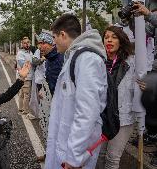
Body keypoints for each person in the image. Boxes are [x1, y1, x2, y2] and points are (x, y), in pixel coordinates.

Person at [45, 14, 108, 169]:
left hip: (74, 153)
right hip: (66, 144)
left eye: (54, 37)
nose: (53, 43)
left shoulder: (87, 59)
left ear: (62, 34)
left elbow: (87, 112)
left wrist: (74, 158)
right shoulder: (75, 57)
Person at [95, 26, 137, 169]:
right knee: (99, 155)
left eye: (114, 37)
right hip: (102, 117)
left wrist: (144, 85)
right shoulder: (98, 60)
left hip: (123, 117)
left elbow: (143, 82)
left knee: (112, 157)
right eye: (106, 37)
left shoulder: (133, 62)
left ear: (121, 40)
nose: (109, 40)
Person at [37, 30, 64, 95]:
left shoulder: (61, 58)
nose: (39, 47)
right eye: (39, 44)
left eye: (43, 43)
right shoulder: (48, 58)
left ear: (52, 44)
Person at [16, 37, 35, 119]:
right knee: (26, 94)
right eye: (25, 43)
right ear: (22, 44)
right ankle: (25, 110)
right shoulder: (20, 53)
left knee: (22, 94)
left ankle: (21, 109)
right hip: (25, 77)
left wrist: (30, 62)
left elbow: (28, 63)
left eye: (28, 42)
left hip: (28, 76)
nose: (27, 44)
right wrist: (33, 62)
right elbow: (24, 64)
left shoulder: (29, 52)